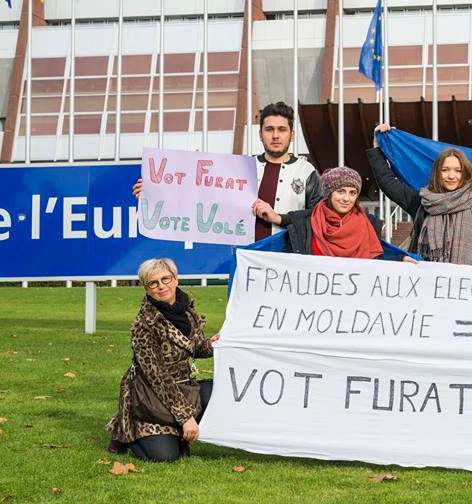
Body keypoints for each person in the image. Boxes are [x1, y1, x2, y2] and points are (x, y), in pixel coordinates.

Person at [132, 101, 322, 241]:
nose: (275, 136)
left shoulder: (306, 171)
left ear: (292, 135)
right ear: (260, 134)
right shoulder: (241, 168)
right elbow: (201, 197)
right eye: (269, 129)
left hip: (289, 254)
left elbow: (317, 214)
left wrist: (280, 218)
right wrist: (154, 192)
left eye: (282, 130)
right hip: (245, 254)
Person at [106, 258, 219, 462]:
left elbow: (193, 346)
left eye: (166, 279)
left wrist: (213, 344)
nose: (161, 286)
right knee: (165, 456)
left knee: (219, 393)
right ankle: (127, 433)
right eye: (153, 282)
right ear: (146, 289)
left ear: (176, 279)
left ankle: (176, 432)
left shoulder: (185, 309)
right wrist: (186, 418)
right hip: (150, 394)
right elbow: (158, 378)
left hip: (183, 385)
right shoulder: (144, 325)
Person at [366, 123, 472, 266]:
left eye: (458, 171)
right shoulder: (422, 201)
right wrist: (377, 147)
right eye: (445, 170)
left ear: (466, 174)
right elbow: (387, 182)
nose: (452, 176)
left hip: (464, 285)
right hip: (426, 284)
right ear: (437, 173)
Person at [259, 166, 408, 261]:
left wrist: (400, 261)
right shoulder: (306, 224)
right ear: (329, 194)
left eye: (352, 193)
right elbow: (286, 263)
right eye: (341, 191)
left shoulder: (370, 224)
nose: (346, 199)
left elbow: (377, 264)